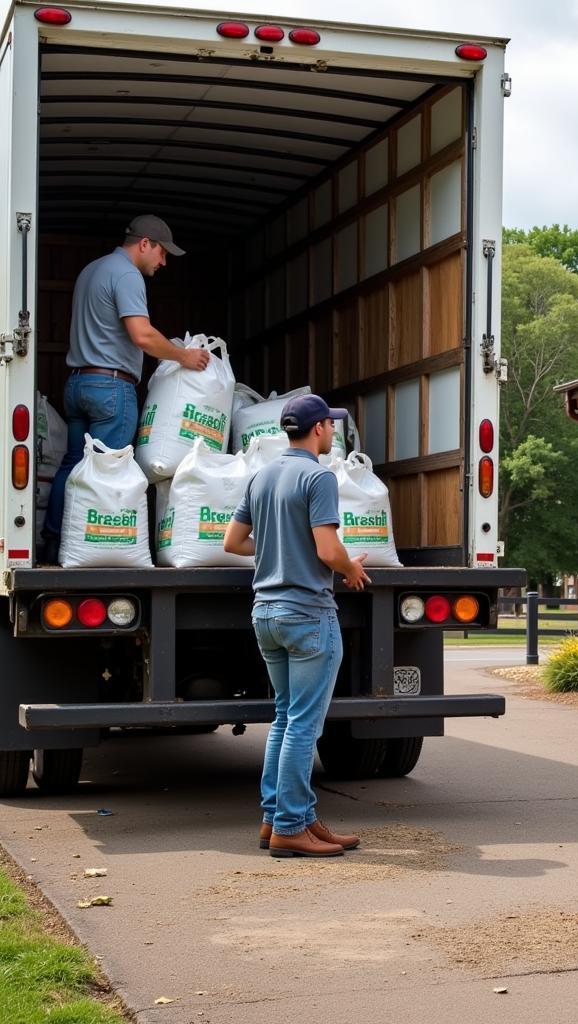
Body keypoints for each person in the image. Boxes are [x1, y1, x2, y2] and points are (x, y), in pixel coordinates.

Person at [224, 394, 372, 858]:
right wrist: (349, 567)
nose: (333, 432)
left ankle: (282, 819)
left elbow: (233, 542)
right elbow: (328, 550)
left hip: (265, 613)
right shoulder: (318, 476)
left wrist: (277, 550)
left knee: (286, 719)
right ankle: (291, 826)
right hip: (307, 614)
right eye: (331, 425)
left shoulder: (262, 476)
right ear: (318, 429)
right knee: (304, 725)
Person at [41, 214, 210, 563]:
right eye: (162, 253)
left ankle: (56, 543)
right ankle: (103, 553)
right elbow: (142, 334)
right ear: (144, 243)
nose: (163, 262)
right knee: (110, 475)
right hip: (110, 389)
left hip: (78, 384)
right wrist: (184, 357)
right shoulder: (127, 274)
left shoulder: (92, 270)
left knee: (74, 466)